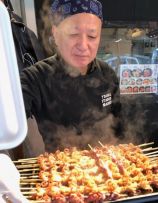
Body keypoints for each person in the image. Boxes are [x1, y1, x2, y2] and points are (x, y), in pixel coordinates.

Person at [20, 0, 122, 153]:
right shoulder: (35, 77)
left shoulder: (107, 74)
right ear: (55, 34)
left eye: (92, 36)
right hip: (61, 170)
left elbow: (118, 125)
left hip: (105, 167)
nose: (83, 45)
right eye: (73, 34)